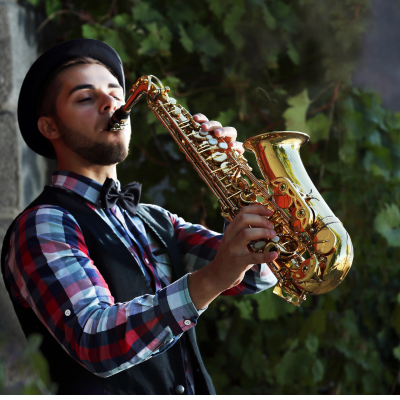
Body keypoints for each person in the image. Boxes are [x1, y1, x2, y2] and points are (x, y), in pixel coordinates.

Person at [1, 39, 278, 395]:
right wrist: (211, 280)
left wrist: (241, 188)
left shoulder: (155, 219)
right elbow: (95, 340)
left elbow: (255, 276)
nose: (110, 103)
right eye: (85, 98)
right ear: (50, 127)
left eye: (116, 92)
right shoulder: (42, 224)